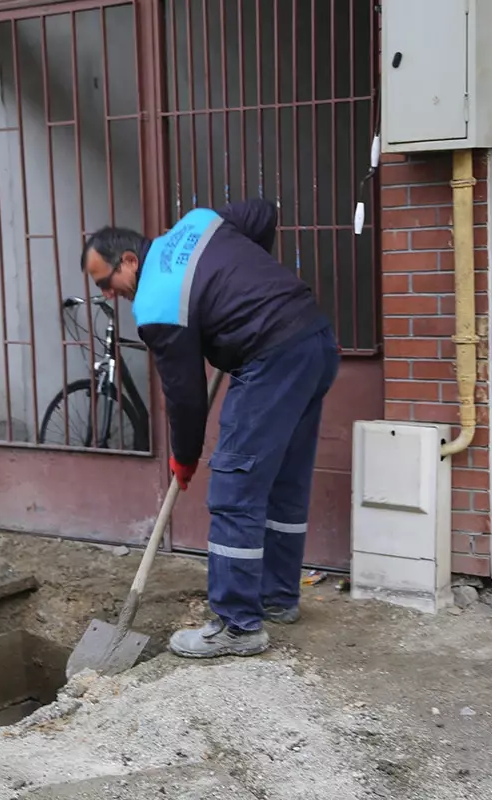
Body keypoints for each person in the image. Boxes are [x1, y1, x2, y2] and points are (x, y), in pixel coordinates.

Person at [81, 199, 340, 659]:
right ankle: (278, 598)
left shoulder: (156, 302)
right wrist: (247, 277)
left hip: (271, 356)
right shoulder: (196, 224)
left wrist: (184, 457)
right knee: (284, 481)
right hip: (314, 342)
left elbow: (184, 394)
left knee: (234, 487)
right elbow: (264, 211)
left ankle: (237, 625)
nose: (108, 293)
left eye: (106, 282)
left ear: (129, 261)